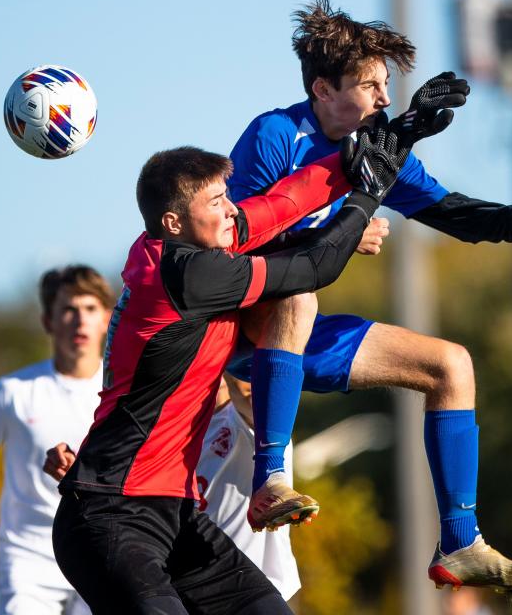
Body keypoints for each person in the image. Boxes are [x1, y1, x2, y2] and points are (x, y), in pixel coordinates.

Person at [224, 0, 512, 593]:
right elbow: (238, 247)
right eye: (371, 84)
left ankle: (460, 542)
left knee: (451, 364)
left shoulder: (378, 152)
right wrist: (334, 234)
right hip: (237, 328)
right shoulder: (275, 134)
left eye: (387, 86)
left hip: (295, 335)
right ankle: (269, 479)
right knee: (298, 296)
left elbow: (449, 210)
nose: (385, 99)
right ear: (324, 89)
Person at [51, 117, 425, 615]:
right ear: (174, 222)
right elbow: (316, 267)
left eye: (227, 196)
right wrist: (367, 193)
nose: (232, 210)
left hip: (176, 516)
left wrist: (375, 148)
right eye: (216, 203)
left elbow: (282, 203)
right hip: (108, 516)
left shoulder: (195, 244)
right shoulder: (188, 275)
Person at [0, 265, 114, 615]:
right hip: (29, 561)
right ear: (48, 321)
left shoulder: (124, 391)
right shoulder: (14, 392)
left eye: (90, 309)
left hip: (102, 554)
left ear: (107, 318)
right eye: (68, 309)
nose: (80, 320)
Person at [43, 375, 301, 603]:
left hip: (252, 591)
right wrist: (89, 474)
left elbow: (255, 394)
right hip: (190, 590)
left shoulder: (249, 421)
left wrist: (226, 353)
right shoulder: (166, 432)